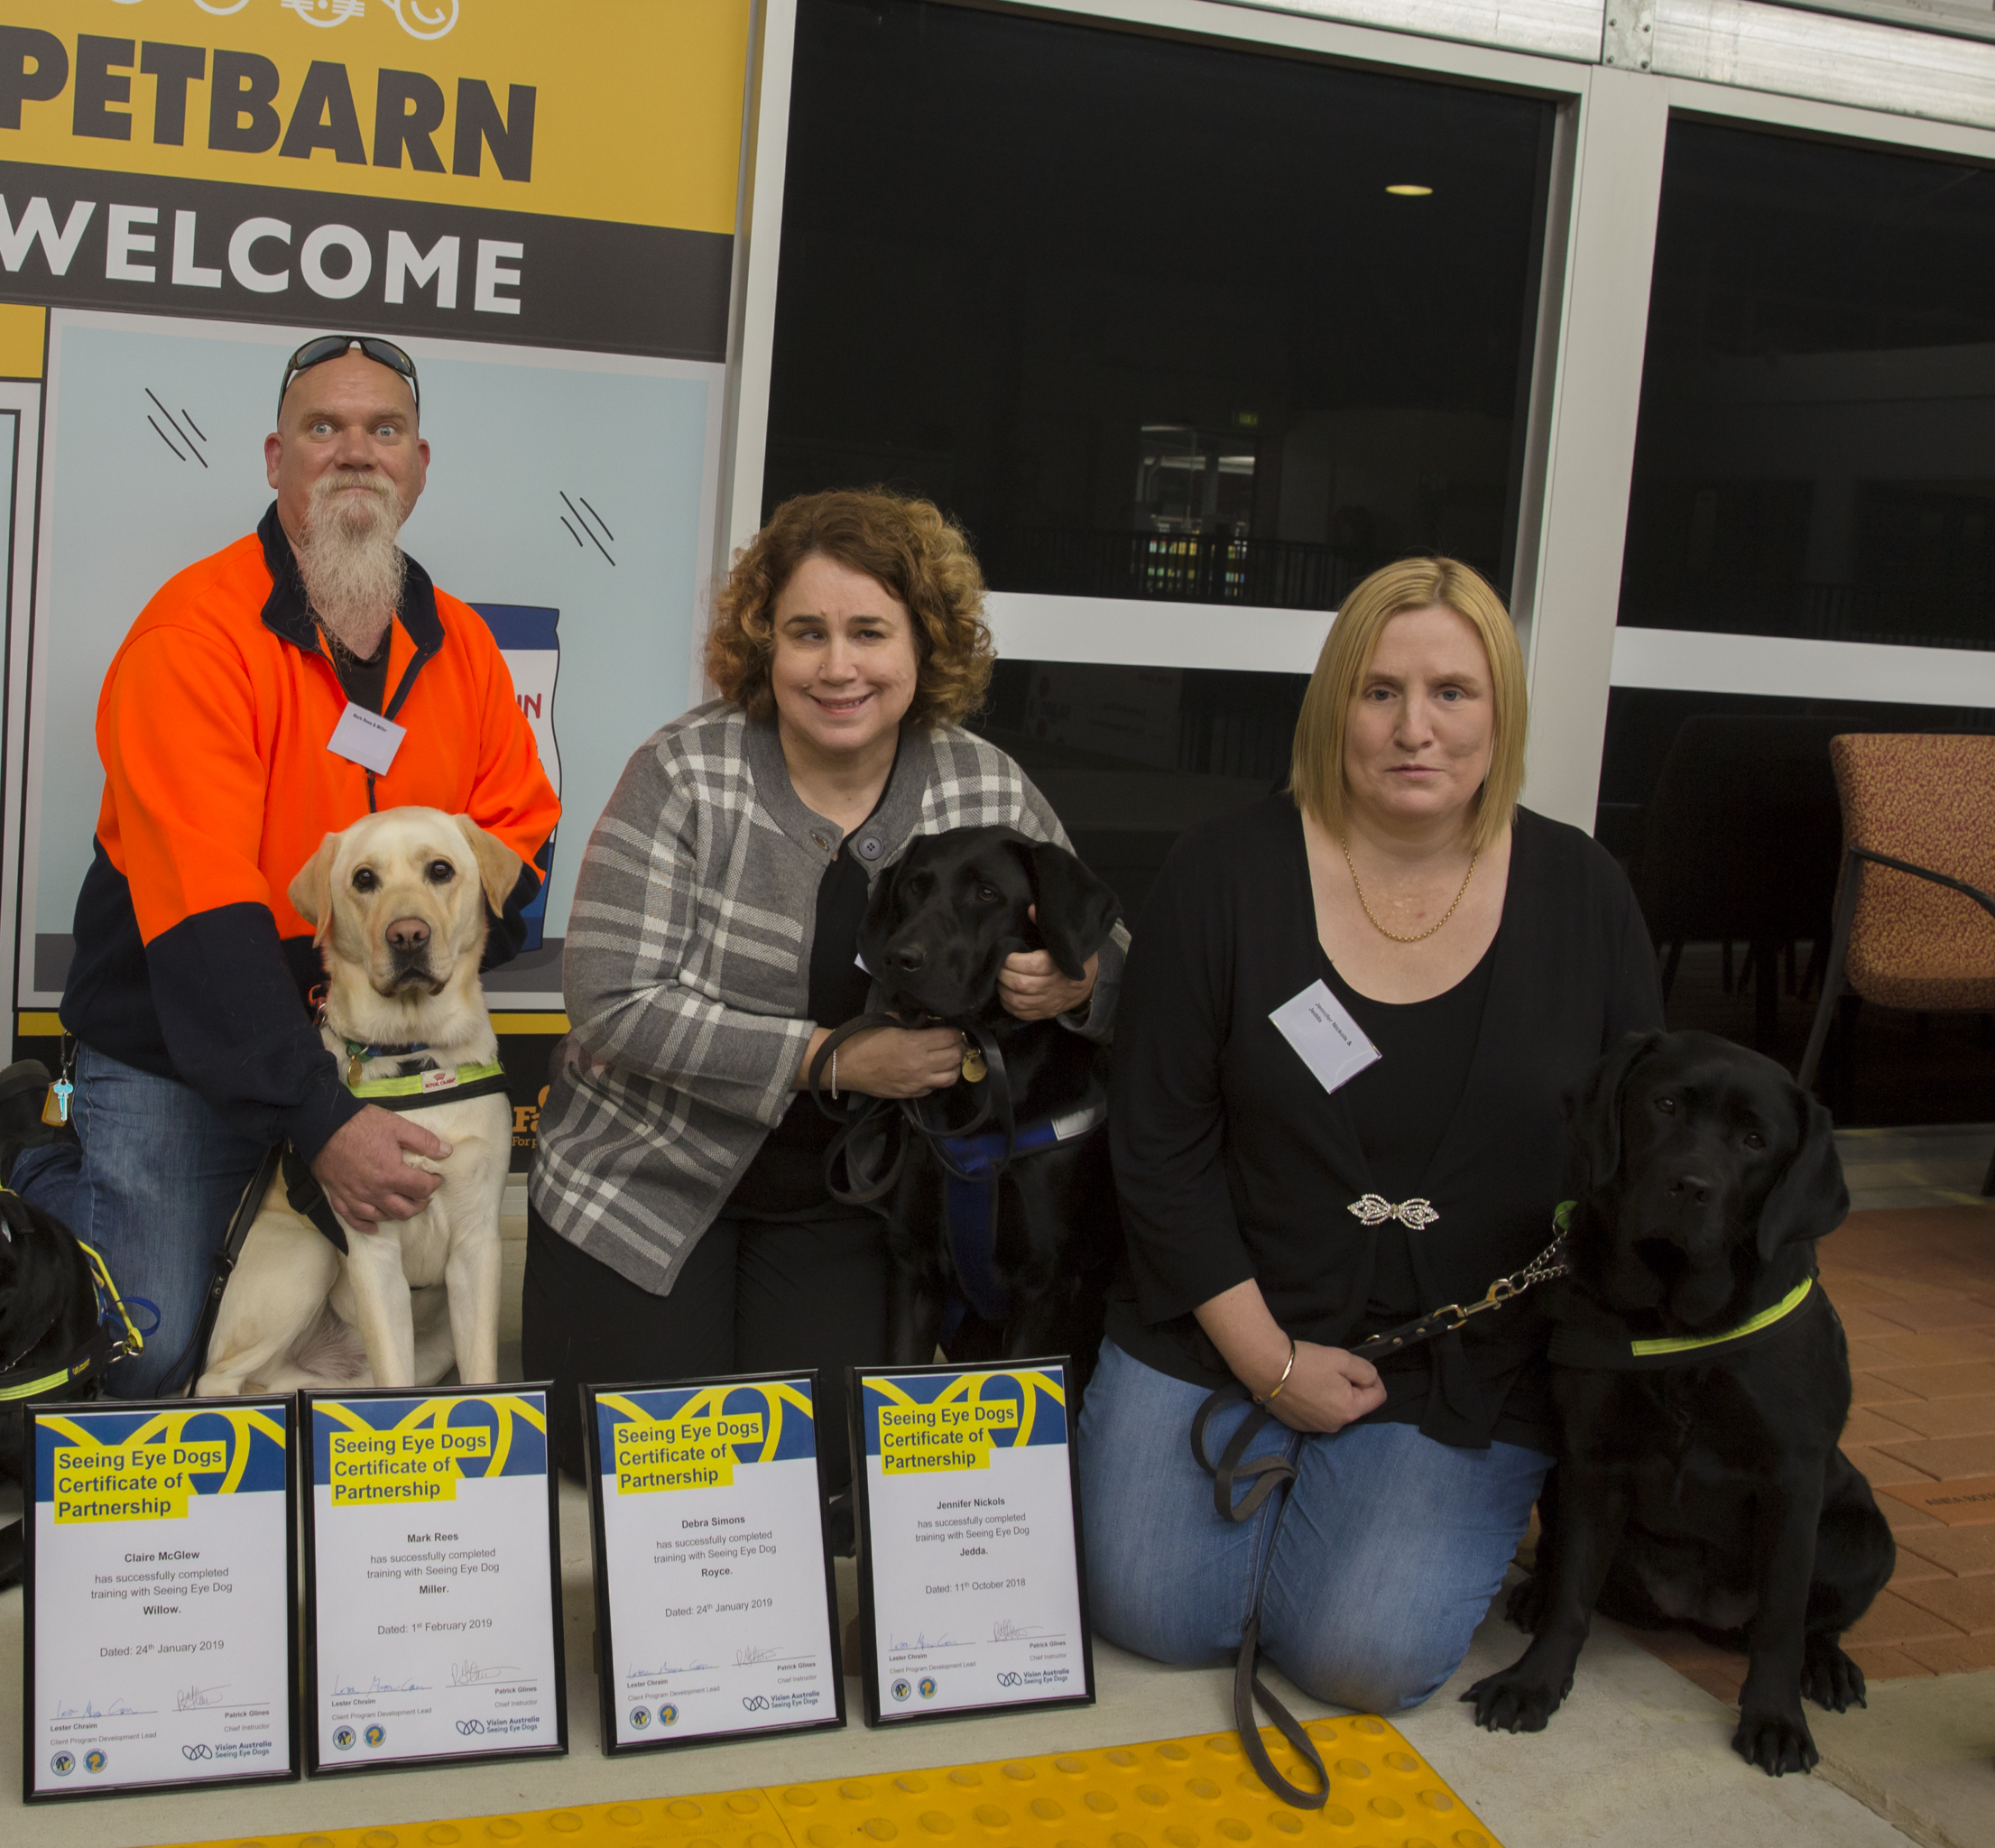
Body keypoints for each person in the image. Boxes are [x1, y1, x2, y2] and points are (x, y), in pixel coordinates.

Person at [1083, 556, 1660, 1714]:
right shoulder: (1220, 873)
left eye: (1454, 692)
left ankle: (1371, 1498)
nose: (1416, 729)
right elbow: (1159, 1144)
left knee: (1362, 1659)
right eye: (1380, 691)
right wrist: (1269, 1362)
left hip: (1463, 1354)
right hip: (1224, 1310)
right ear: (1332, 703)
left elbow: (1636, 1140)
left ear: (1501, 713)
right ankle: (1304, 1472)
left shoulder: (1586, 892)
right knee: (1154, 1611)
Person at [525, 488, 1113, 1510]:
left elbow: (1108, 952)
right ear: (765, 645)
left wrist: (1074, 981)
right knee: (639, 1468)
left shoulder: (985, 786)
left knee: (824, 1474)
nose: (838, 666)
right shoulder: (684, 770)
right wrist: (828, 1057)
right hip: (647, 1178)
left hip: (849, 1197)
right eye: (807, 633)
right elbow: (609, 998)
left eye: (869, 632)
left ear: (924, 643)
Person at [0, 334, 559, 1397]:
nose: (357, 453)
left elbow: (516, 835)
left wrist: (424, 958)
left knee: (326, 1320)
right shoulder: (191, 636)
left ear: (420, 465)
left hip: (374, 1040)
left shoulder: (468, 650)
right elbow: (205, 922)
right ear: (274, 458)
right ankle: (36, 1150)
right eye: (324, 428)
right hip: (182, 1036)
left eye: (383, 430)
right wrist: (320, 1118)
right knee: (149, 1349)